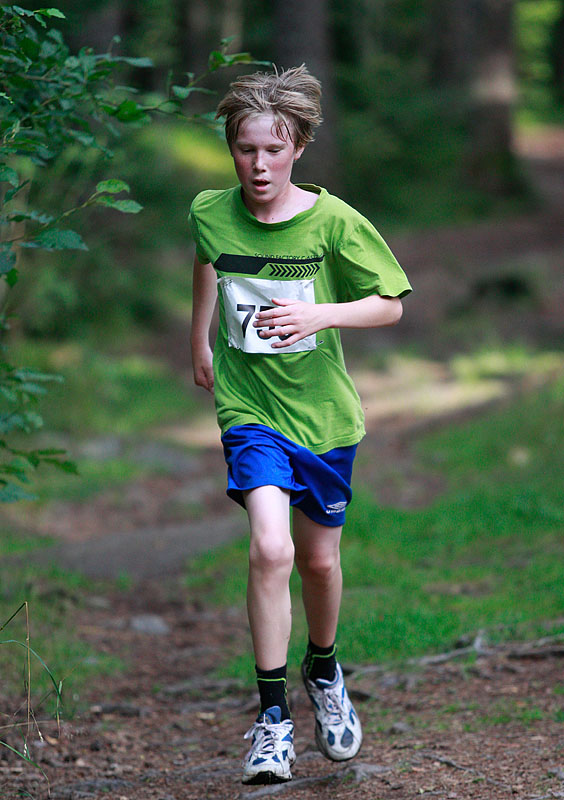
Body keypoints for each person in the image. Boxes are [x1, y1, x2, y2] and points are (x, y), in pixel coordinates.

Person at [189, 65, 411, 786]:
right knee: (270, 547)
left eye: (274, 150)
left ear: (299, 149)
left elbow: (390, 304)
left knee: (317, 562)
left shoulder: (334, 221)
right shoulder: (209, 210)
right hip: (250, 409)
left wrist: (320, 314)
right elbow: (209, 259)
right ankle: (272, 720)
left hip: (323, 416)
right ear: (231, 149)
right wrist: (200, 338)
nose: (259, 165)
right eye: (246, 149)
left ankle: (324, 668)